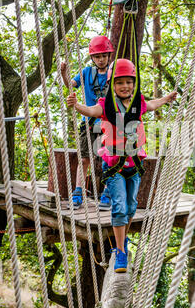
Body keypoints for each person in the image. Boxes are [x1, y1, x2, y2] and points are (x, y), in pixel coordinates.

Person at [67, 58, 177, 273]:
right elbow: (90, 112)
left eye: (129, 82)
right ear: (112, 85)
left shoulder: (138, 102)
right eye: (120, 83)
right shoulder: (106, 104)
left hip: (134, 165)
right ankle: (120, 252)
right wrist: (76, 105)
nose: (125, 87)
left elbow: (152, 104)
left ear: (134, 83)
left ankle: (122, 241)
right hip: (114, 166)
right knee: (119, 208)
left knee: (130, 207)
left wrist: (167, 98)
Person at [61, 35, 113, 210]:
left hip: (109, 122)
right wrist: (63, 74)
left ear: (108, 56)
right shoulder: (86, 73)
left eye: (104, 56)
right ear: (92, 58)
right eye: (97, 56)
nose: (101, 60)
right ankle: (77, 193)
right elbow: (71, 85)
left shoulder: (114, 74)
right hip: (89, 121)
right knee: (84, 159)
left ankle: (107, 193)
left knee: (110, 159)